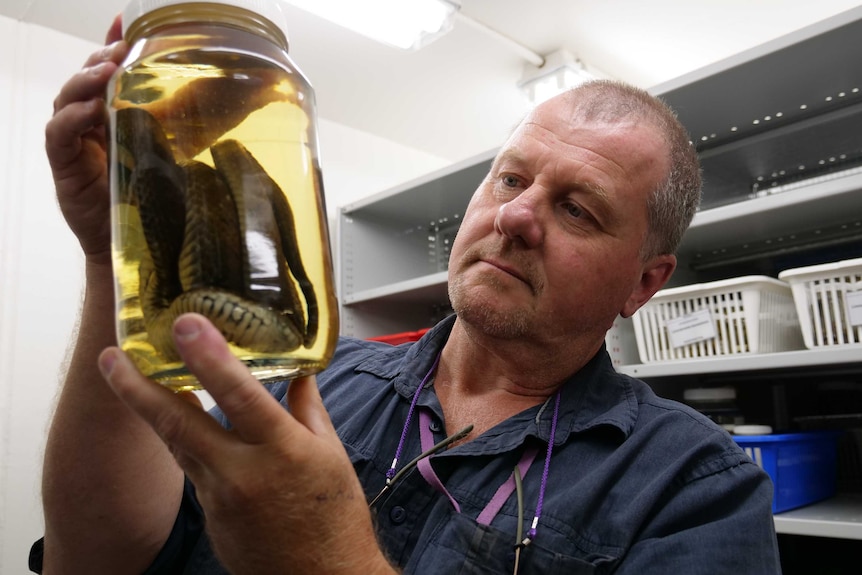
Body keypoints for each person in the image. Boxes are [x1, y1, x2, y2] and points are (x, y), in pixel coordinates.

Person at [31, 14, 781, 575]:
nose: (516, 216)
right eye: (512, 179)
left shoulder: (696, 490)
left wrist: (323, 554)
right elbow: (103, 558)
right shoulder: (308, 380)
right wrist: (112, 254)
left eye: (577, 208)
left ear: (645, 283)